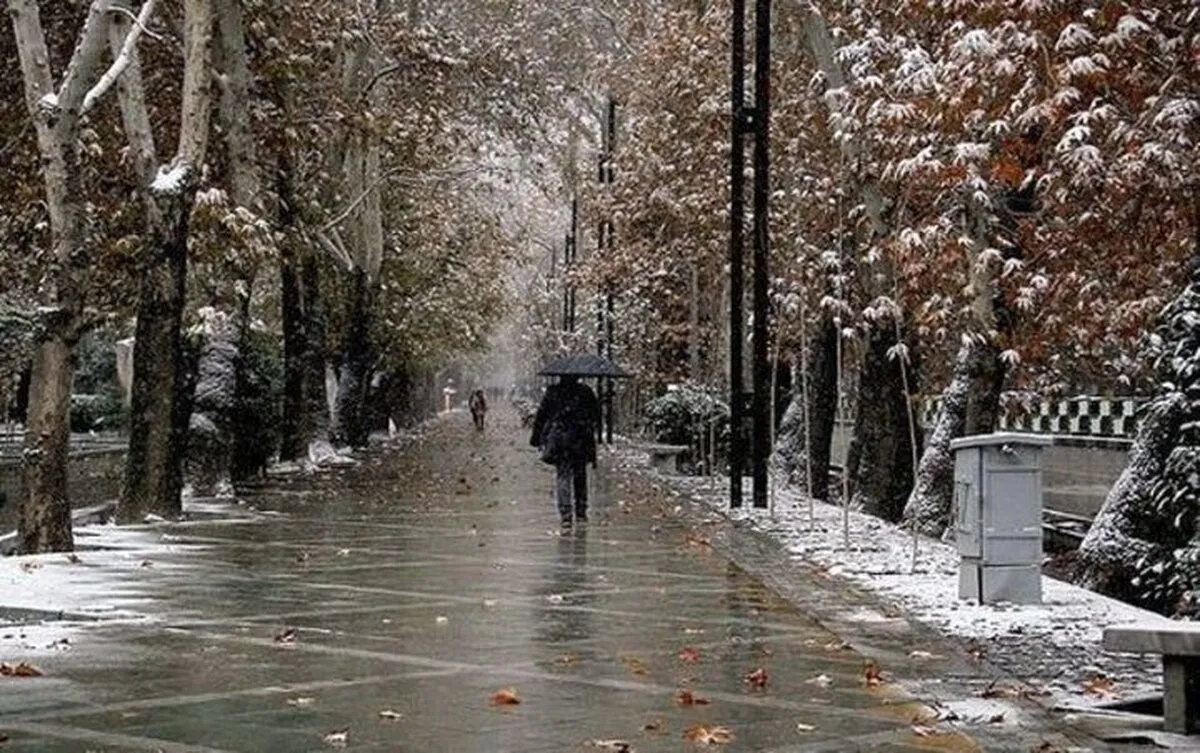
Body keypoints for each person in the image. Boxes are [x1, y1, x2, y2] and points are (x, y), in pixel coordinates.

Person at [530, 375, 601, 531]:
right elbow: (596, 414)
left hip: (560, 440)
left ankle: (566, 514)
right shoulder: (585, 392)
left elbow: (542, 416)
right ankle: (581, 510)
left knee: (563, 475)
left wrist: (536, 438)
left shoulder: (552, 392)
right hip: (581, 439)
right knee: (580, 475)